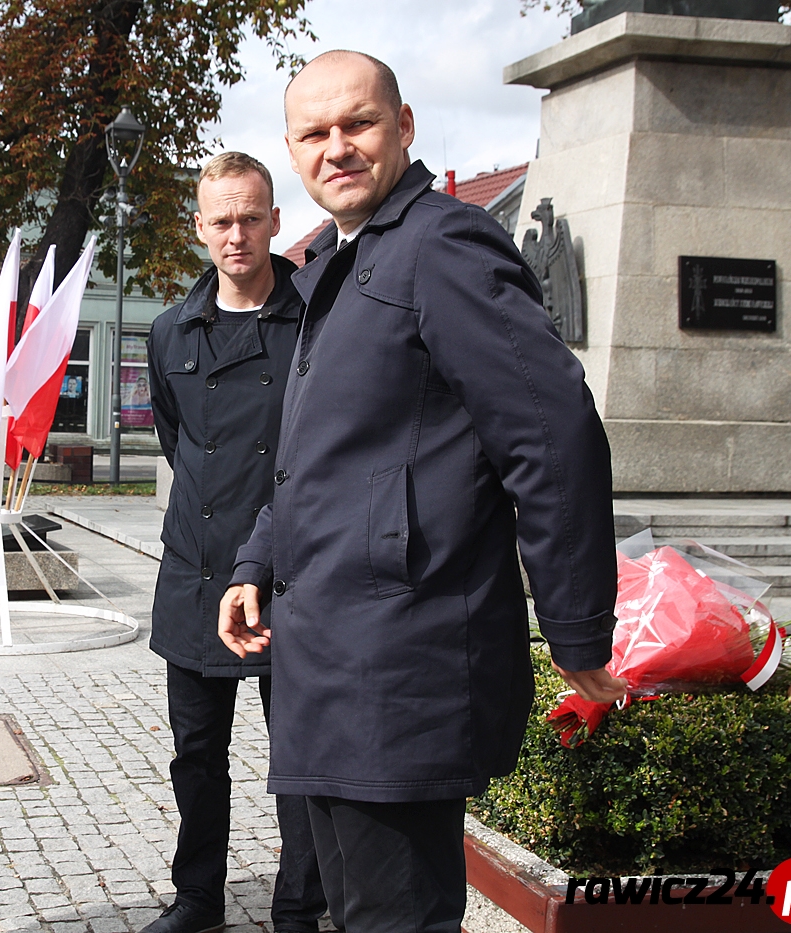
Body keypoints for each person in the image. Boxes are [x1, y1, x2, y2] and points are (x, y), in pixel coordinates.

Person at [217, 51, 628, 933]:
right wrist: (259, 556)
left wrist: (576, 620)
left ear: (403, 128)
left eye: (358, 124)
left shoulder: (442, 244)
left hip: (399, 663)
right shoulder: (334, 260)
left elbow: (551, 434)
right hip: (324, 655)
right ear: (291, 151)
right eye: (314, 133)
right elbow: (317, 453)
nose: (338, 148)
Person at [144, 152, 326, 933]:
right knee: (196, 754)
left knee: (302, 758)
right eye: (221, 219)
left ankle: (298, 906)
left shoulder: (316, 321)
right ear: (199, 228)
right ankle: (198, 899)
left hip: (293, 575)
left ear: (276, 220)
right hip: (194, 570)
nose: (237, 234)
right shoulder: (169, 331)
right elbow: (176, 437)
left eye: (252, 216)